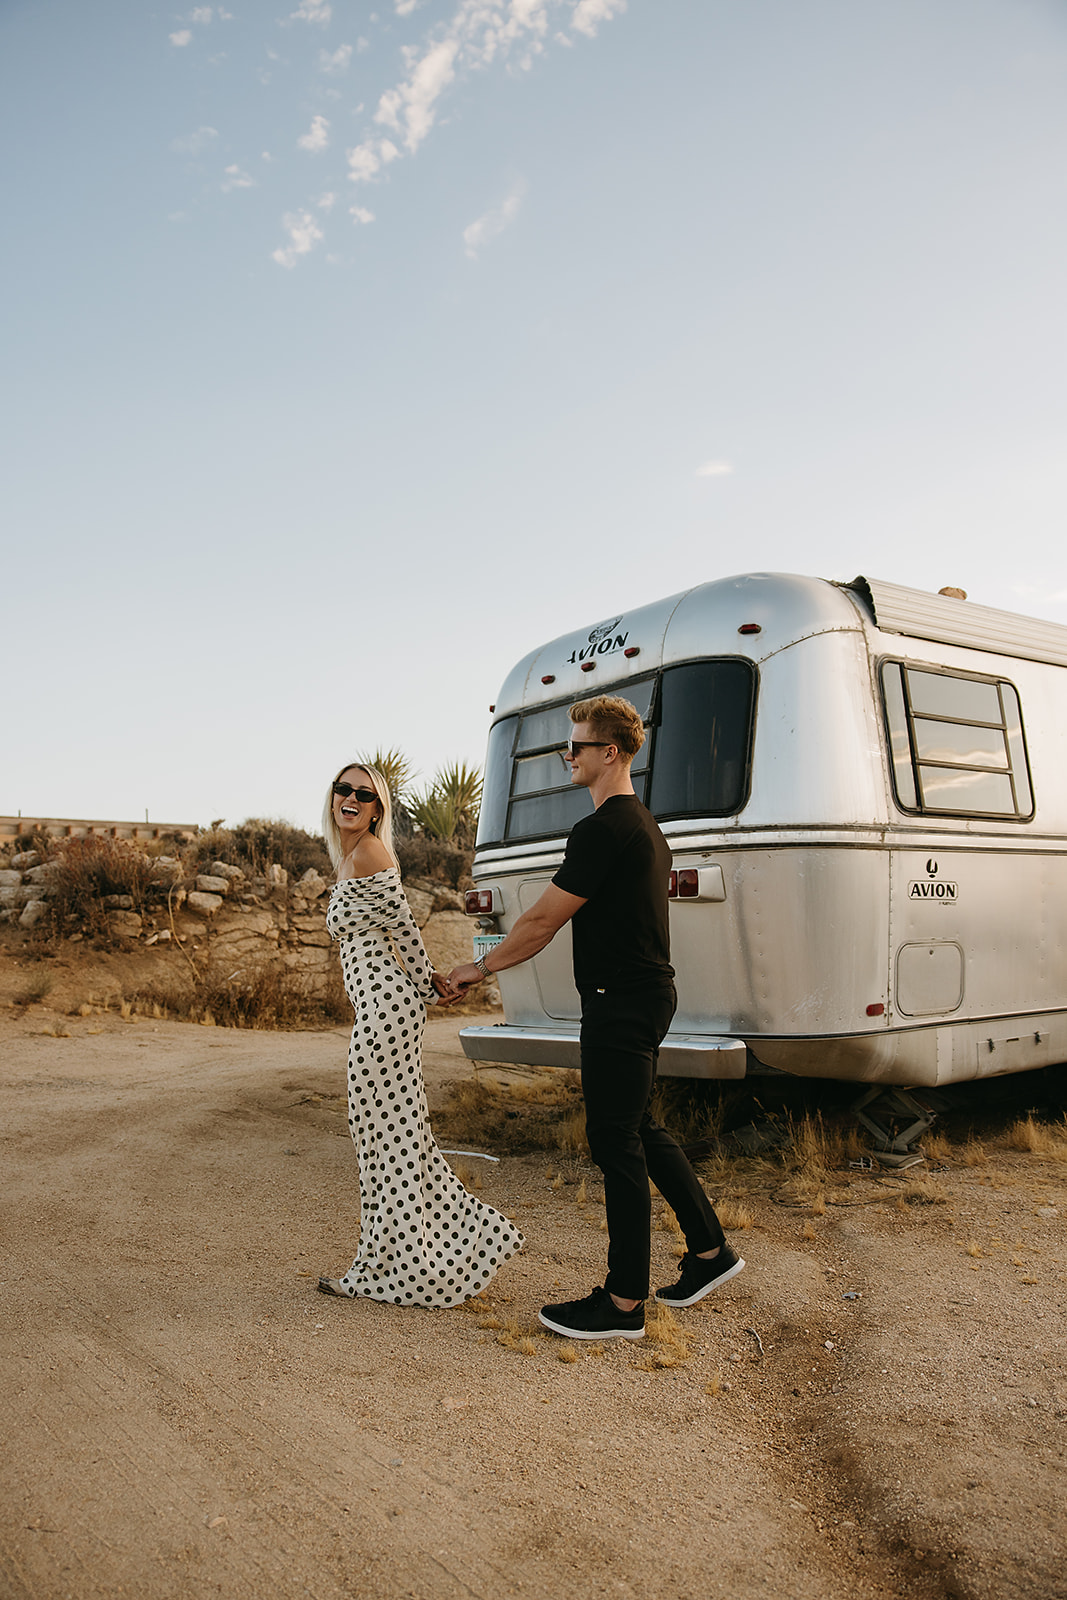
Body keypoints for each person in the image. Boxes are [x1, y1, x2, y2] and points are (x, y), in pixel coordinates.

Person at [447, 696, 743, 1340]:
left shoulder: (606, 828)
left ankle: (623, 1303)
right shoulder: (642, 824)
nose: (567, 757)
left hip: (622, 1001)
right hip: (641, 995)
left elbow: (542, 921)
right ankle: (710, 1253)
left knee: (614, 1141)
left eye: (575, 747)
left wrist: (479, 968)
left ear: (608, 752)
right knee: (636, 1126)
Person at [317, 761, 523, 1307]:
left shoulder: (370, 853)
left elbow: (403, 926)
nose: (353, 799)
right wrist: (426, 988)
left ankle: (400, 1266)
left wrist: (429, 987)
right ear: (333, 796)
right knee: (389, 1137)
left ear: (379, 809)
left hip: (387, 1010)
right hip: (380, 1009)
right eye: (345, 789)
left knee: (387, 1139)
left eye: (366, 794)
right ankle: (401, 1261)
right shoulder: (349, 856)